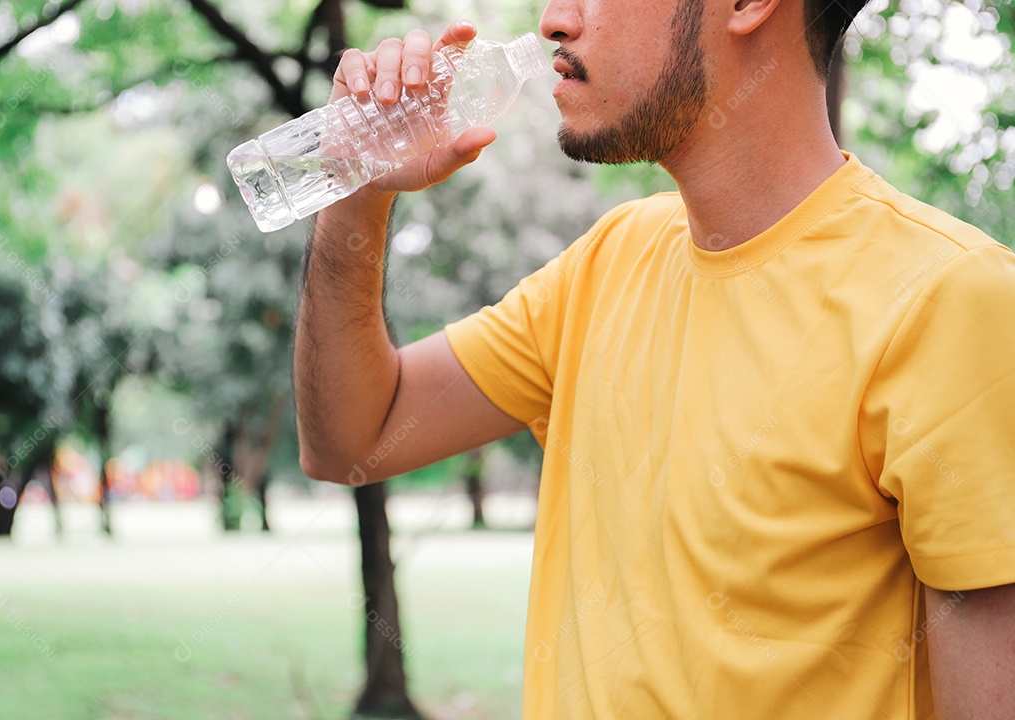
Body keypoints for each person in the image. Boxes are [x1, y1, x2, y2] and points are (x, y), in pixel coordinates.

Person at [293, 0, 1015, 717]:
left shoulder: (951, 299)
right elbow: (351, 438)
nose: (553, 20)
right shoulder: (608, 261)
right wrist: (355, 195)